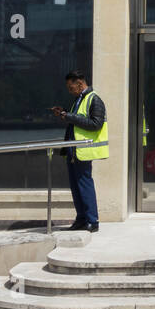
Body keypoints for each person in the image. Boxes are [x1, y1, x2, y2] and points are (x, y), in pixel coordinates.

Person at [52, 70, 107, 232]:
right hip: (73, 149)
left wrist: (68, 116)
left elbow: (96, 123)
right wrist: (65, 114)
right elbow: (78, 122)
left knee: (84, 184)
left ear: (80, 84)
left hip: (83, 149)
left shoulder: (94, 99)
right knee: (75, 186)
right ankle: (81, 218)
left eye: (71, 87)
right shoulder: (79, 100)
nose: (70, 91)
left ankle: (92, 220)